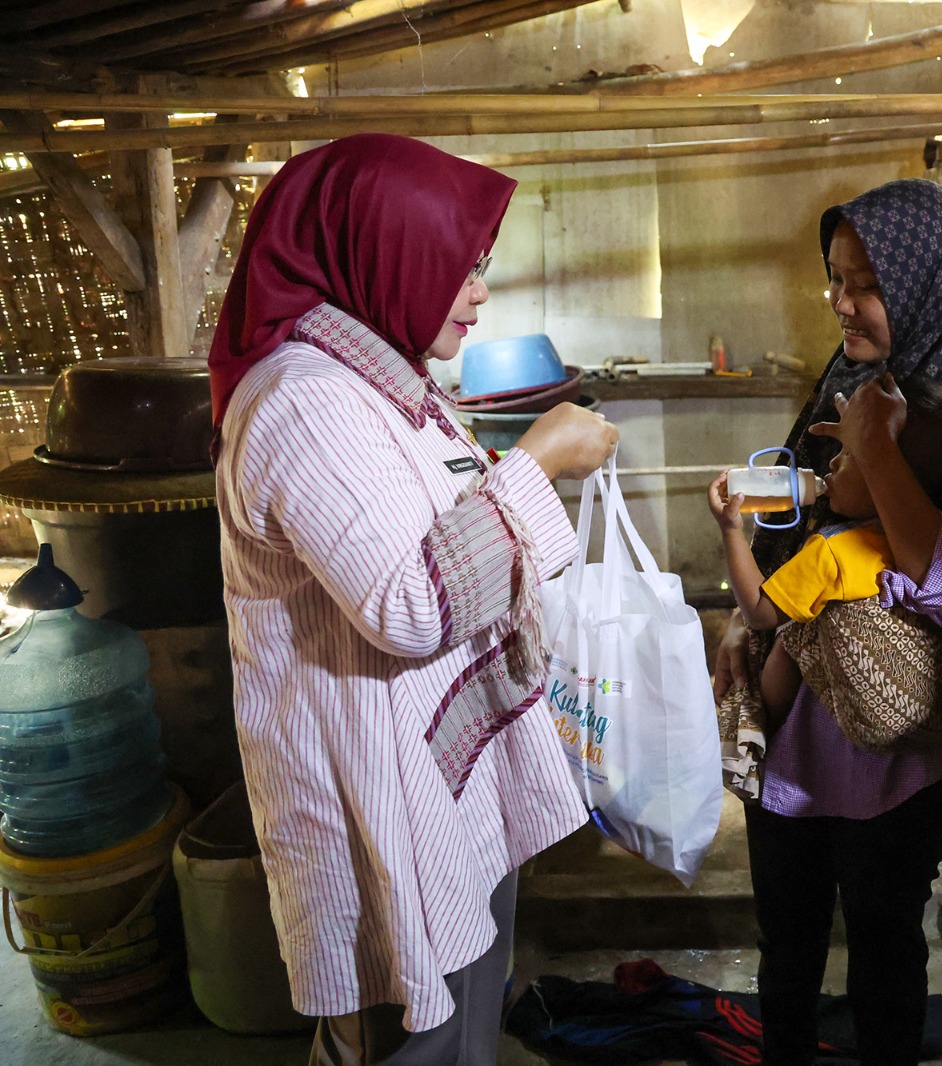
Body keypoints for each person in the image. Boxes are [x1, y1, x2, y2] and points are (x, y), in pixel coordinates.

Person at [207, 133, 618, 1066]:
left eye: (481, 268)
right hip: (378, 807)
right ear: (381, 250)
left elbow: (456, 537)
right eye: (461, 266)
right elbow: (412, 603)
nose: (478, 293)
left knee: (465, 1020)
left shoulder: (388, 388)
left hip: (439, 785)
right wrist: (537, 462)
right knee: (409, 1039)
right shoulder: (302, 405)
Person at [712, 178, 942, 1065]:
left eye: (866, 284)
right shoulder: (842, 390)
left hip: (898, 761)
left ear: (930, 286)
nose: (843, 303)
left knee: (886, 955)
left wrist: (877, 449)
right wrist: (747, 627)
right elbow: (796, 548)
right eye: (836, 279)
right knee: (790, 948)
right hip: (794, 745)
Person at [708, 377, 942, 715]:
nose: (831, 462)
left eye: (849, 453)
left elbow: (759, 612)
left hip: (823, 736)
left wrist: (730, 529)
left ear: (885, 471)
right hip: (927, 748)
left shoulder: (835, 552)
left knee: (789, 638)